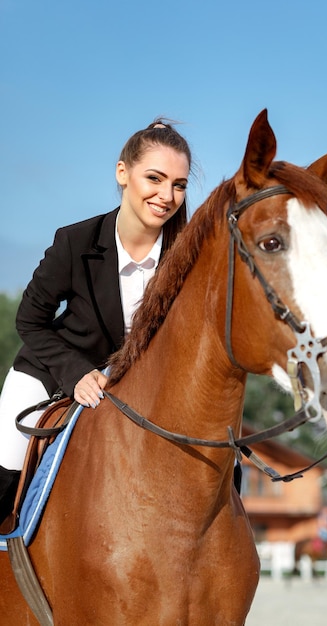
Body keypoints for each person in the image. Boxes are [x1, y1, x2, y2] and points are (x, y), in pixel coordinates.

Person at [0, 119, 193, 525]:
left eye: (178, 184)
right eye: (154, 178)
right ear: (122, 173)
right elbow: (30, 319)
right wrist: (76, 373)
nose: (167, 195)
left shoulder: (187, 255)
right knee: (6, 463)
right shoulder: (75, 241)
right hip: (52, 372)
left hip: (141, 387)